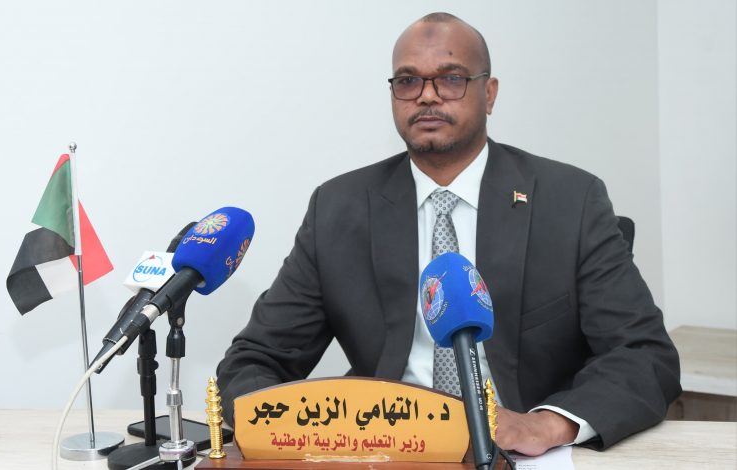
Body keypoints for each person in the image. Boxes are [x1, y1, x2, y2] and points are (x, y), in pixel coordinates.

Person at [216, 12, 680, 456]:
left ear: (489, 94)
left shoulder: (569, 201)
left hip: (520, 451)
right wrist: (302, 431)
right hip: (387, 449)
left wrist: (546, 424)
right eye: (408, 81)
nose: (427, 96)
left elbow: (644, 355)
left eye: (451, 78)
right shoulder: (339, 208)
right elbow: (255, 358)